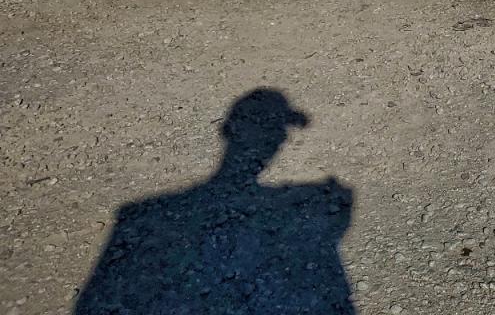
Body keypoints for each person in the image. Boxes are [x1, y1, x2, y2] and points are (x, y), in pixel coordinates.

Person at [76, 89, 354, 314]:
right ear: (231, 131)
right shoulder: (137, 218)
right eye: (273, 130)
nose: (279, 139)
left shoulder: (140, 217)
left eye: (277, 132)